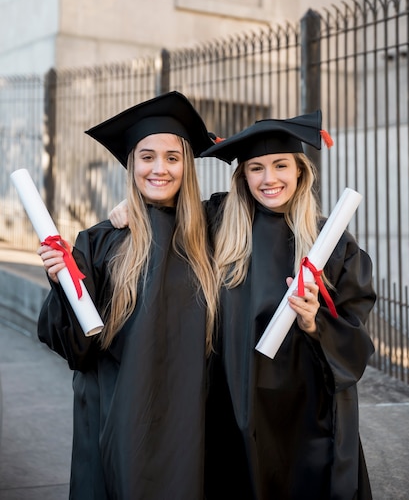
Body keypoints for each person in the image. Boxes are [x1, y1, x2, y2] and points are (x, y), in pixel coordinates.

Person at [36, 91, 219, 500]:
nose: (160, 168)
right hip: (114, 420)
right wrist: (64, 286)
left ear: (187, 167)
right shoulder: (100, 241)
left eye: (173, 158)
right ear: (131, 164)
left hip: (191, 424)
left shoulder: (212, 236)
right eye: (147, 156)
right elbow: (75, 349)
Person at [200, 110, 376, 500]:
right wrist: (127, 211)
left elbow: (355, 335)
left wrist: (316, 321)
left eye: (281, 165)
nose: (269, 179)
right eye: (256, 168)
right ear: (243, 176)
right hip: (234, 398)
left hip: (306, 409)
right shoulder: (216, 225)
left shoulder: (331, 243)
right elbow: (165, 220)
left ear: (300, 171)